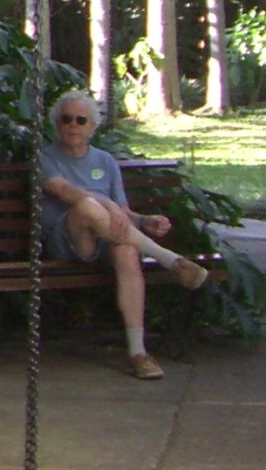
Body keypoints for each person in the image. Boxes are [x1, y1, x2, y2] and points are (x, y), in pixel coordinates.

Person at [37, 89, 207, 380]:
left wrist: (143, 219)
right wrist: (107, 204)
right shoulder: (45, 158)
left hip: (109, 237)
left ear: (92, 126)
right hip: (69, 239)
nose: (73, 125)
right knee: (86, 205)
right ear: (57, 124)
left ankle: (138, 352)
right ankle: (171, 260)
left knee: (127, 251)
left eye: (81, 119)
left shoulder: (105, 161)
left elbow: (123, 213)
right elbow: (63, 191)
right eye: (66, 119)